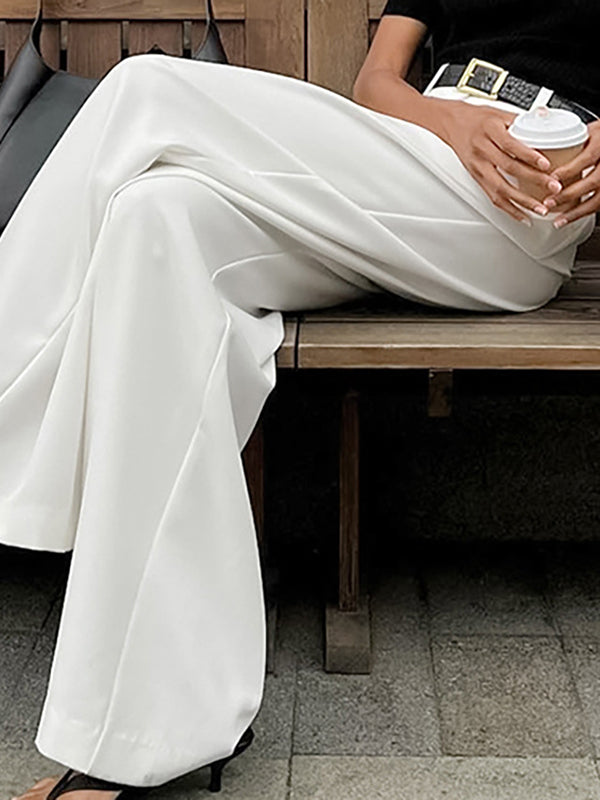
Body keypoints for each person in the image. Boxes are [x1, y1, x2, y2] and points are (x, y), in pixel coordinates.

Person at [3, 1, 599, 799]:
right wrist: (448, 122)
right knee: (158, 218)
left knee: (147, 89)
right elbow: (377, 82)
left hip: (529, 188)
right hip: (410, 159)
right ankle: (145, 734)